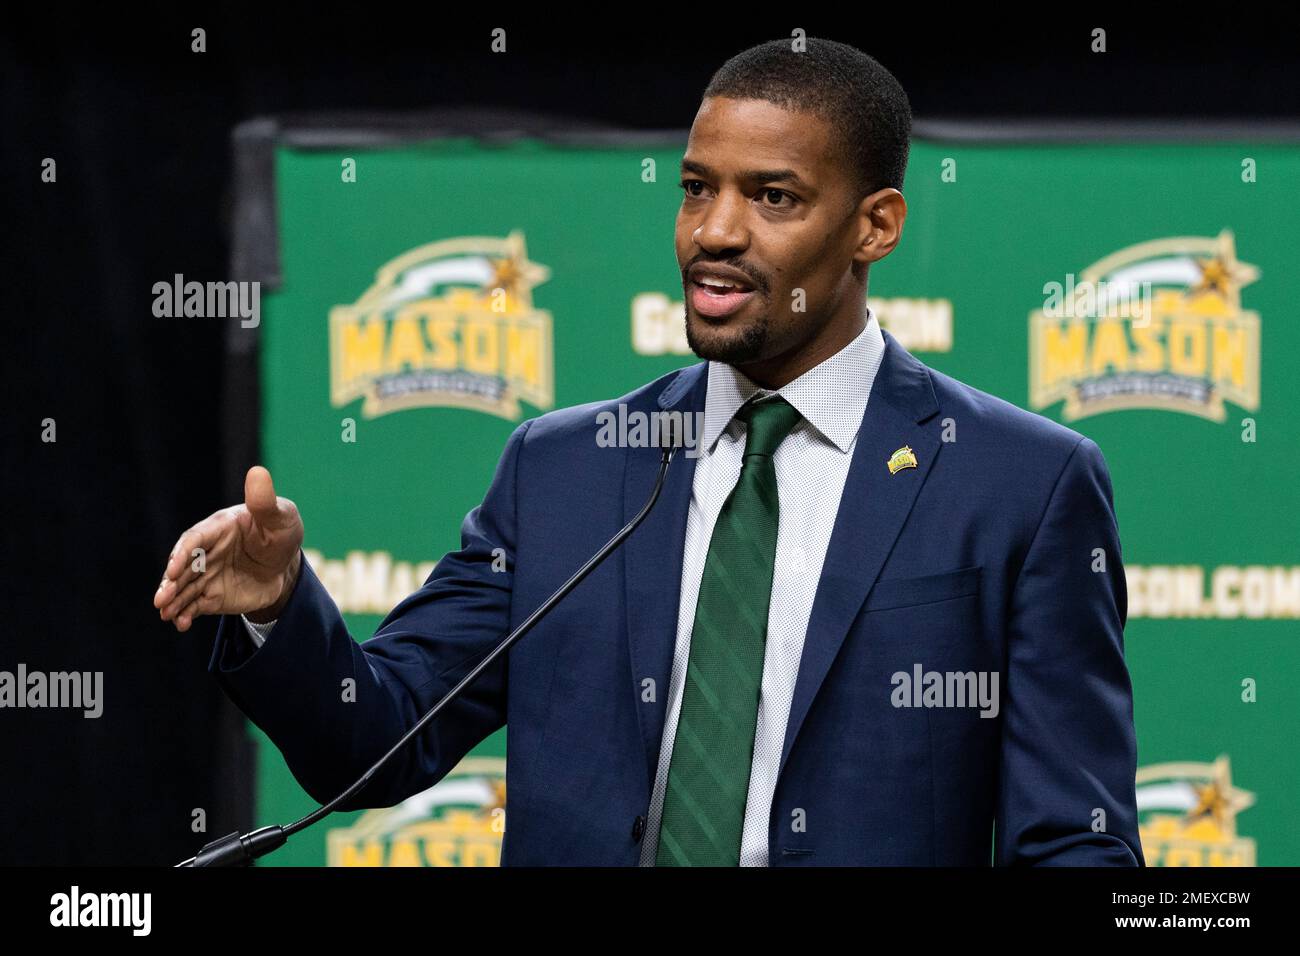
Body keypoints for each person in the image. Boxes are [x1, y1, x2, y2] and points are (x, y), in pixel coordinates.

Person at [154, 37, 1143, 866]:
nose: (713, 231)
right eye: (697, 188)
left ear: (874, 226)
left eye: (773, 198)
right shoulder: (563, 469)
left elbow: (1075, 839)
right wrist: (280, 610)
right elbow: (369, 741)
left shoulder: (1021, 483)